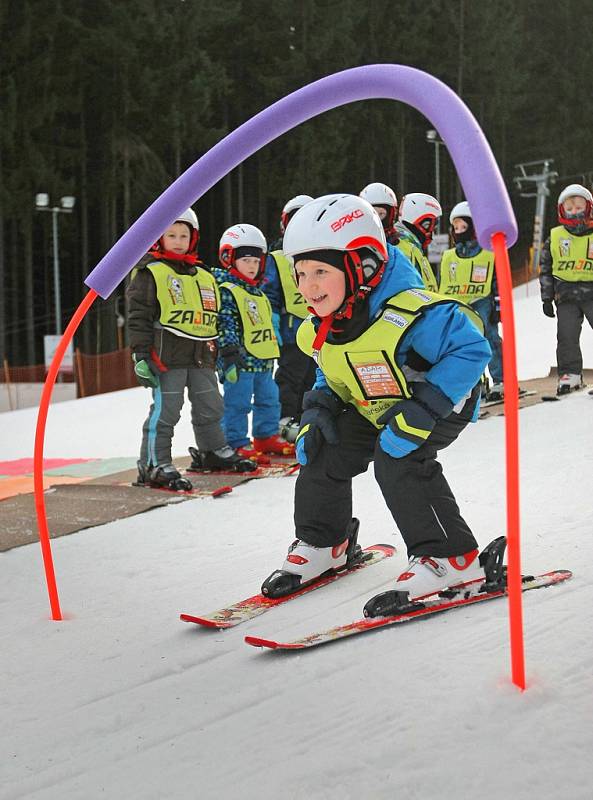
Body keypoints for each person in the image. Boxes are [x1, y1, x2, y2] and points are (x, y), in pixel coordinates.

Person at [260, 194, 492, 608]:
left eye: (320, 272)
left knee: (397, 459)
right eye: (301, 273)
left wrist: (423, 409)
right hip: (377, 403)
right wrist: (320, 409)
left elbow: (472, 350)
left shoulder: (415, 312)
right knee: (322, 450)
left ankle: (450, 556)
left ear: (362, 266)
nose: (307, 287)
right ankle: (324, 543)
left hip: (439, 401)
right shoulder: (327, 321)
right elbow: (329, 367)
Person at [127, 208, 254, 491]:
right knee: (167, 411)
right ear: (158, 237)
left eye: (184, 235)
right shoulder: (150, 273)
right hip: (166, 357)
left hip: (202, 356)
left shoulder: (205, 276)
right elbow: (138, 316)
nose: (178, 240)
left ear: (193, 238)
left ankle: (212, 450)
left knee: (211, 406)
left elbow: (217, 319)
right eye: (171, 234)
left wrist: (226, 354)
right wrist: (141, 353)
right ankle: (154, 463)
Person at [215, 223, 295, 457]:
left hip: (263, 359)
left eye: (255, 261)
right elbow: (225, 321)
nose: (251, 266)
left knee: (269, 399)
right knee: (238, 403)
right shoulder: (227, 289)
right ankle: (235, 441)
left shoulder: (258, 291)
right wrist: (228, 351)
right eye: (245, 261)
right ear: (230, 259)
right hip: (238, 360)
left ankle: (266, 435)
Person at [263, 194, 317, 442]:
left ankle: (308, 417)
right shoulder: (277, 257)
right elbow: (269, 294)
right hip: (290, 331)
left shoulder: (322, 253)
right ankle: (286, 417)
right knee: (290, 377)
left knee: (313, 376)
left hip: (317, 329)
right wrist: (272, 326)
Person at [439, 201, 503, 401]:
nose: (459, 232)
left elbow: (497, 282)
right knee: (464, 346)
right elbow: (443, 283)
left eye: (463, 227)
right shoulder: (449, 257)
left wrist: (499, 307)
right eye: (456, 228)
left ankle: (500, 380)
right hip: (459, 306)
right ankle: (476, 383)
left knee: (490, 340)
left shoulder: (488, 254)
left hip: (482, 301)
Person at [539, 183, 593, 394]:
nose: (574, 212)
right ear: (562, 211)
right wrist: (546, 297)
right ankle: (570, 375)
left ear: (588, 208)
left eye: (578, 207)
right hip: (565, 295)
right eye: (569, 209)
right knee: (566, 336)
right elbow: (545, 268)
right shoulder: (555, 237)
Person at [394, 192, 441, 291]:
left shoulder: (413, 248)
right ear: (424, 224)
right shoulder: (402, 248)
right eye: (431, 227)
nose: (432, 234)